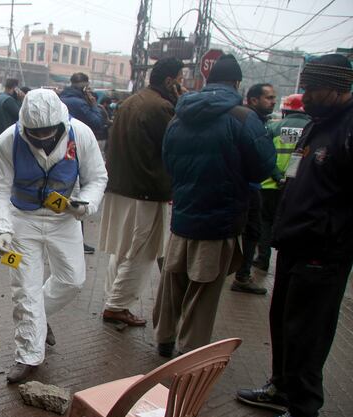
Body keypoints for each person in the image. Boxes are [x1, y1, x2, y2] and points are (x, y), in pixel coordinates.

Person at [237, 54, 353, 417]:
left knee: (308, 332)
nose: (304, 96)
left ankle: (304, 416)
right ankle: (282, 389)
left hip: (324, 252)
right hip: (294, 244)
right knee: (284, 322)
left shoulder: (348, 128)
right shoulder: (317, 126)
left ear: (337, 88)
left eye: (311, 88)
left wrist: (331, 232)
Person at [153, 54, 275, 358]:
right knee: (204, 289)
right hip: (221, 217)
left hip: (183, 215)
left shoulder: (179, 117)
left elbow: (168, 162)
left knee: (173, 279)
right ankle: (190, 349)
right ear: (236, 83)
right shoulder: (243, 118)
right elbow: (262, 167)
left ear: (208, 81)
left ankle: (164, 338)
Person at [0, 89, 108, 383]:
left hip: (64, 218)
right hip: (22, 220)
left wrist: (85, 204)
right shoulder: (8, 140)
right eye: (34, 133)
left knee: (72, 280)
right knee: (25, 289)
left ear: (60, 123)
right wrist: (1, 229)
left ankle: (37, 320)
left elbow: (97, 178)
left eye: (47, 132)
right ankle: (28, 356)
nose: (41, 138)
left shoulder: (81, 135)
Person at [99, 58, 184, 328]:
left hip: (122, 186)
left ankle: (113, 299)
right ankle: (116, 305)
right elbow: (173, 148)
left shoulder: (129, 102)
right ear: (170, 80)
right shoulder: (161, 107)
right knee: (142, 251)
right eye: (179, 79)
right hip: (145, 189)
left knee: (124, 248)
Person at [253, 94, 310, 273]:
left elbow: (265, 155)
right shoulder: (312, 129)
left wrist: (278, 177)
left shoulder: (273, 126)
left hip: (270, 185)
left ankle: (263, 258)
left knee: (265, 222)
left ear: (285, 110)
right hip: (298, 188)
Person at [230, 83, 277, 295]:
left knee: (247, 231)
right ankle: (242, 275)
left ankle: (239, 273)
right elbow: (261, 158)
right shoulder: (250, 121)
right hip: (249, 186)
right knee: (251, 231)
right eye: (268, 97)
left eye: (274, 97)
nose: (273, 101)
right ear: (253, 100)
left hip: (250, 185)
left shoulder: (251, 120)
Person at [60, 73, 104, 255]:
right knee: (78, 199)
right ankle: (77, 242)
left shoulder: (61, 99)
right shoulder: (80, 103)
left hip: (60, 153)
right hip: (77, 152)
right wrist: (94, 105)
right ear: (84, 86)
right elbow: (97, 122)